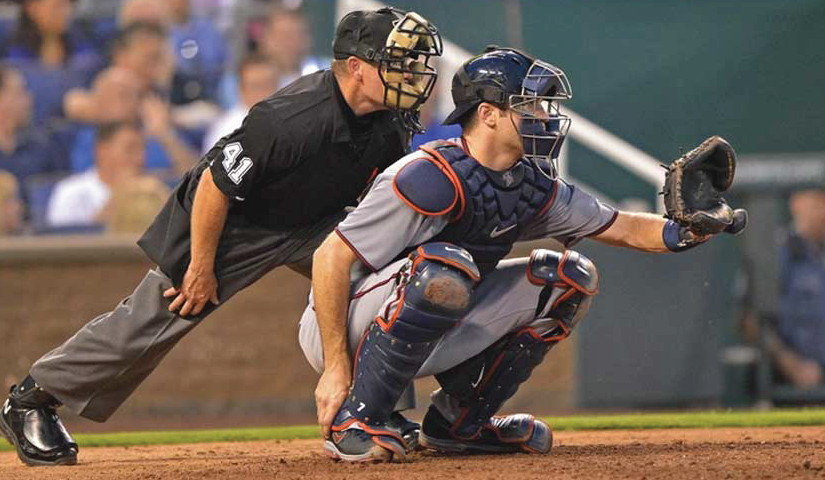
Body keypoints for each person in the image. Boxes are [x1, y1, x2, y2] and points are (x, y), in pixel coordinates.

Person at [0, 7, 442, 467]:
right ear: (357, 67)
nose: (411, 73)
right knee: (154, 320)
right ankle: (33, 398)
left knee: (384, 280)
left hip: (315, 221)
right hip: (233, 220)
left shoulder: (391, 120)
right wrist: (200, 266)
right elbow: (215, 184)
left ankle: (373, 407)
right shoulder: (290, 117)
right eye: (398, 62)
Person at [299, 47, 745, 463]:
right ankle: (357, 418)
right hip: (341, 325)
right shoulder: (427, 176)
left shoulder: (530, 184)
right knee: (446, 268)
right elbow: (330, 258)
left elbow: (622, 227)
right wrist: (336, 367)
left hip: (432, 301)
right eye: (529, 105)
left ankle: (459, 423)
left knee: (569, 277)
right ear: (489, 115)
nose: (544, 116)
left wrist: (686, 230)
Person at [770, 189, 825, 388]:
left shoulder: (819, 254)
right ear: (797, 203)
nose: (822, 212)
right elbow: (750, 321)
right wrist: (792, 366)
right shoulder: (779, 252)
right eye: (817, 202)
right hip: (788, 385)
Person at [45, 120, 145, 228]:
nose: (140, 158)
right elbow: (61, 240)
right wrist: (119, 195)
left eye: (142, 150)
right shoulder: (70, 191)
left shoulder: (150, 192)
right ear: (102, 150)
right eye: (130, 149)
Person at [0, 64, 67, 213]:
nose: (29, 100)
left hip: (37, 231)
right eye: (20, 93)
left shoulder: (44, 144)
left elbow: (60, 193)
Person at [201, 53, 279, 154]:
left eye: (269, 84)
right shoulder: (225, 130)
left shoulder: (292, 120)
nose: (264, 92)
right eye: (256, 86)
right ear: (241, 89)